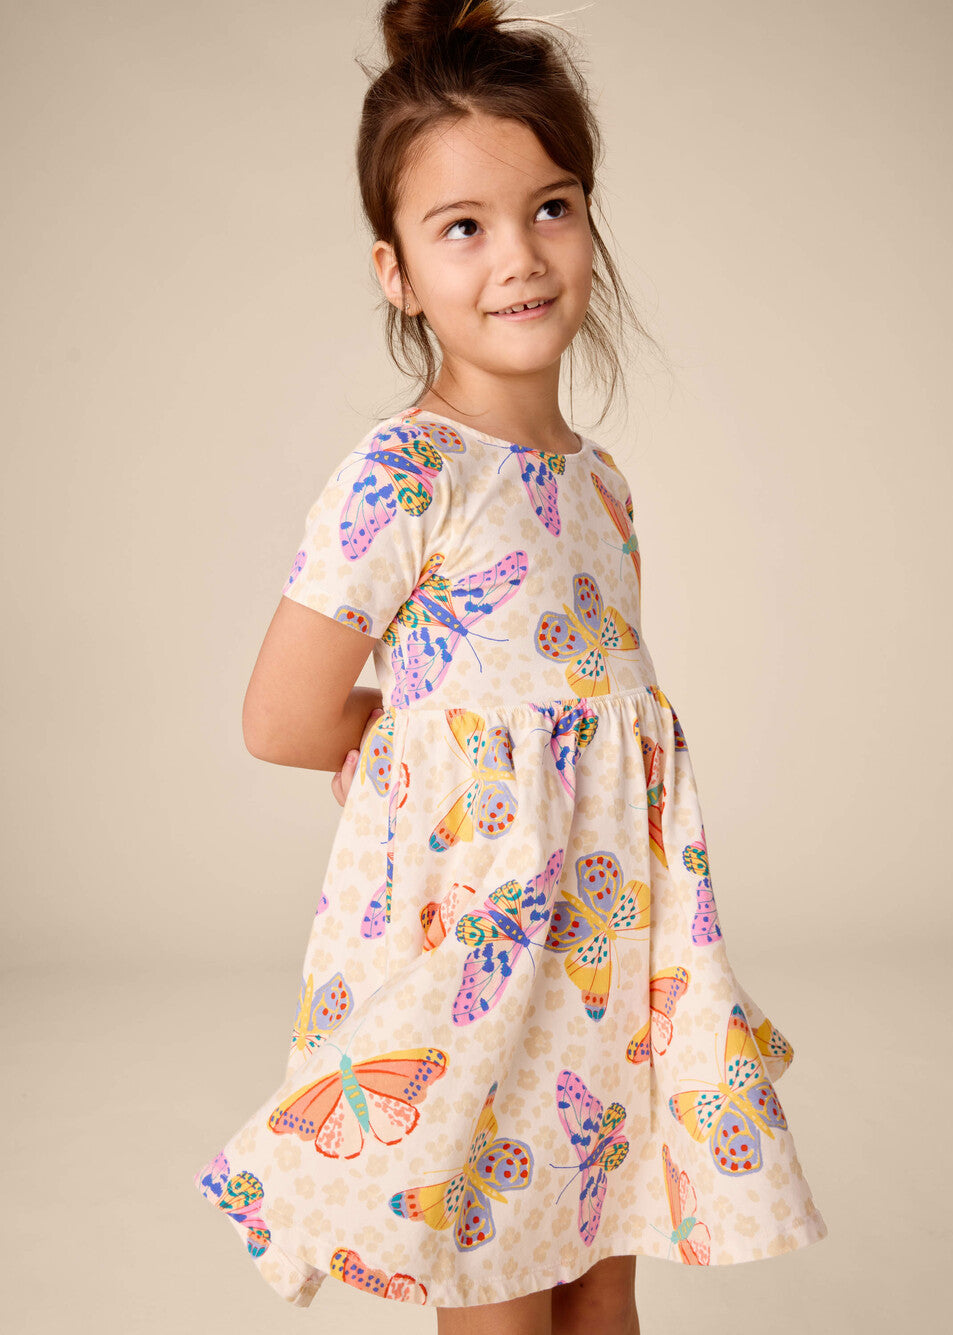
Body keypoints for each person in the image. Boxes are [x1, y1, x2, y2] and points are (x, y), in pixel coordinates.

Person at [192, 3, 829, 1331]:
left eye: (550, 208)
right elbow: (281, 717)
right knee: (496, 1285)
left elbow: (594, 729)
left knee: (604, 1279)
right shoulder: (406, 473)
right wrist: (409, 744)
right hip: (480, 962)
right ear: (396, 272)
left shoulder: (599, 484)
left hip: (607, 957)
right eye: (462, 227)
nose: (520, 257)